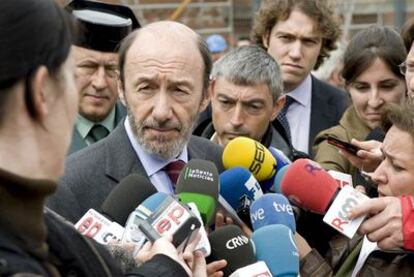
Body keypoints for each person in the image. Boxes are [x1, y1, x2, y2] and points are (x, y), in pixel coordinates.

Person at [0, 0, 207, 276]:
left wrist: (130, 259)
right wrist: (165, 270)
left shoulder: (43, 227)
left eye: (180, 90)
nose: (98, 85)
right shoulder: (57, 197)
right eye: (76, 74)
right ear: (41, 92)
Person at [47, 21, 224, 224]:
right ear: (121, 88)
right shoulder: (67, 186)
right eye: (146, 88)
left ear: (206, 95)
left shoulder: (219, 163)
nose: (161, 112)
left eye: (179, 90)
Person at [299, 102, 414, 276]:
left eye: (397, 166)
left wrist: (305, 259)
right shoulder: (372, 212)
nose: (376, 175)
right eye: (382, 158)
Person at [251, 0, 349, 155]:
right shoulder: (226, 101)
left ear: (322, 47)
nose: (296, 53)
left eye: (309, 41)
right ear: (266, 37)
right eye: (286, 38)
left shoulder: (344, 109)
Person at [313, 26, 407, 185]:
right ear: (347, 87)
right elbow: (324, 189)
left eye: (387, 86)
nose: (374, 101)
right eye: (362, 88)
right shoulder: (335, 142)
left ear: (407, 81)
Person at [66, 0, 140, 154]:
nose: (100, 83)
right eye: (88, 67)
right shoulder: (35, 131)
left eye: (111, 69)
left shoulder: (141, 127)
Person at [200, 45, 294, 158]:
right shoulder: (181, 155)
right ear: (211, 92)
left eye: (253, 107)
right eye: (226, 102)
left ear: (276, 107)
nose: (236, 121)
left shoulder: (290, 173)